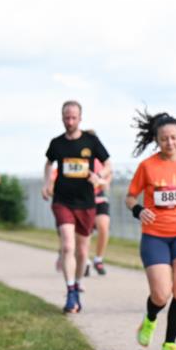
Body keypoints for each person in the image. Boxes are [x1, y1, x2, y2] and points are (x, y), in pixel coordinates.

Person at [126, 110, 176, 350]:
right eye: (164, 139)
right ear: (157, 141)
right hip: (155, 236)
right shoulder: (147, 166)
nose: (170, 142)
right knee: (161, 294)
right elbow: (130, 198)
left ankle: (170, 344)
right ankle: (150, 318)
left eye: (174, 137)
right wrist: (139, 210)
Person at [43, 100, 111, 314]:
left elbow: (108, 164)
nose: (70, 121)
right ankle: (71, 290)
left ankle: (78, 283)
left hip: (86, 203)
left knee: (82, 251)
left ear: (80, 118)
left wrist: (99, 176)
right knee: (67, 246)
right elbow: (48, 163)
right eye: (66, 117)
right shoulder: (57, 143)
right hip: (62, 201)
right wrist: (47, 183)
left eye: (73, 117)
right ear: (62, 118)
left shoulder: (91, 141)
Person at [90, 152, 111, 276]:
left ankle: (98, 259)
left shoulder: (103, 162)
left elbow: (106, 184)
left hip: (99, 199)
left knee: (103, 227)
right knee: (85, 233)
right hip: (82, 201)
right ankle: (84, 261)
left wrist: (99, 180)